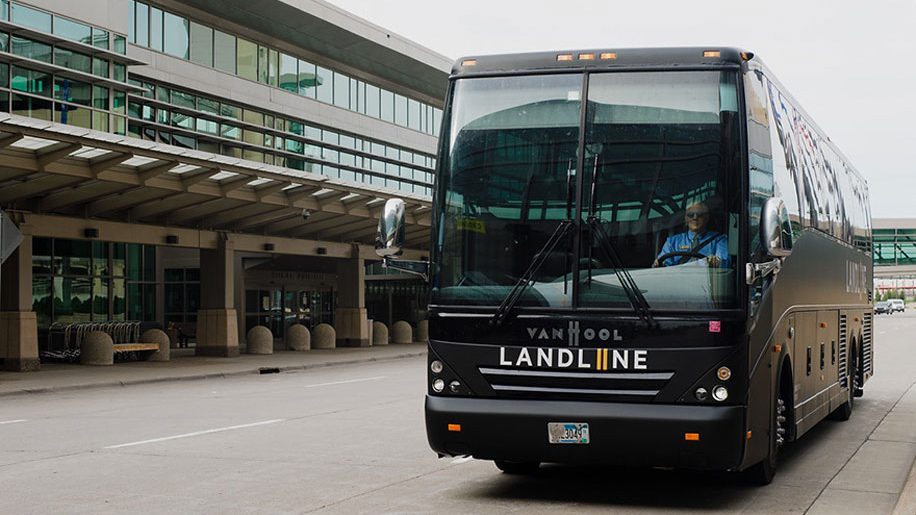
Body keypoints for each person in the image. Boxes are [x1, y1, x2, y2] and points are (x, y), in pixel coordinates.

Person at [654, 201, 730, 268]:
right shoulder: (672, 241)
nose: (695, 217)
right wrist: (659, 264)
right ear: (685, 218)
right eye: (690, 214)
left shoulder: (719, 240)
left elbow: (724, 264)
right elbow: (663, 266)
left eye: (699, 214)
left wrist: (716, 262)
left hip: (706, 282)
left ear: (707, 217)